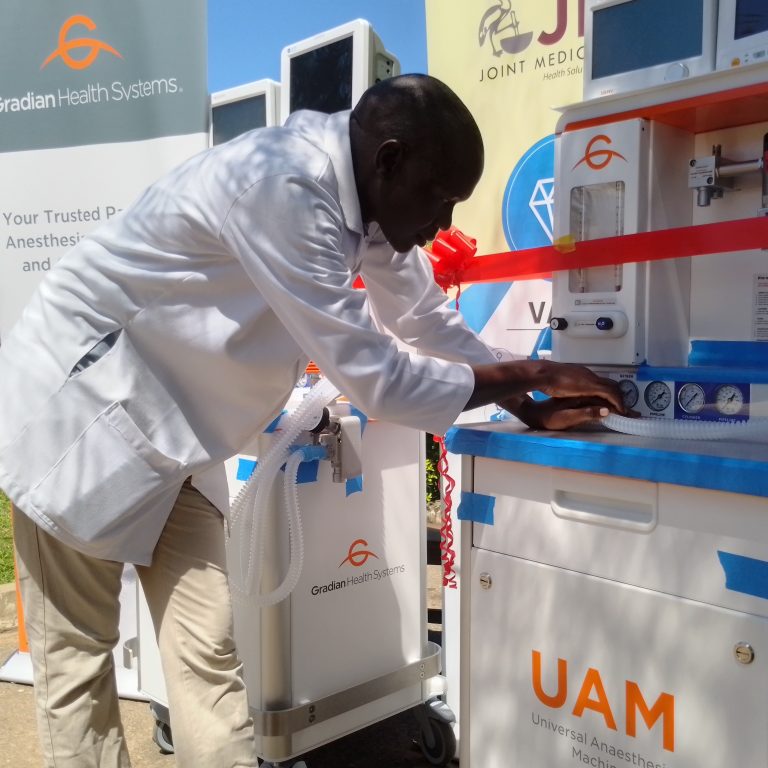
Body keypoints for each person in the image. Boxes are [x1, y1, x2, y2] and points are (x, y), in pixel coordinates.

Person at [0, 73, 625, 767]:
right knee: (78, 662)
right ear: (389, 160)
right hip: (84, 416)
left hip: (178, 440)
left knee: (210, 655)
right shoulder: (283, 186)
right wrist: (534, 374)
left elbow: (422, 319)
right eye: (440, 196)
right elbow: (379, 379)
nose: (444, 224)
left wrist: (528, 405)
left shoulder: (370, 208)